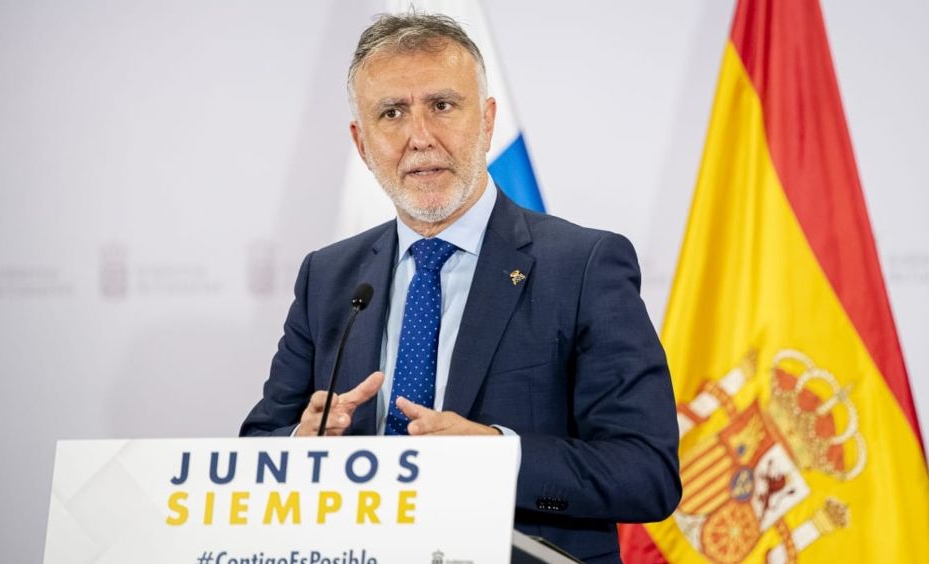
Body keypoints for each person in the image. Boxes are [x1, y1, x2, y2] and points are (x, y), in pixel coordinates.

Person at [240, 13, 681, 561]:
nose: (420, 138)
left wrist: (498, 455)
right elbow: (257, 446)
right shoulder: (327, 277)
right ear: (361, 142)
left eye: (443, 106)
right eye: (392, 113)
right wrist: (299, 447)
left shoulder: (583, 266)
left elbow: (646, 472)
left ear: (488, 121)